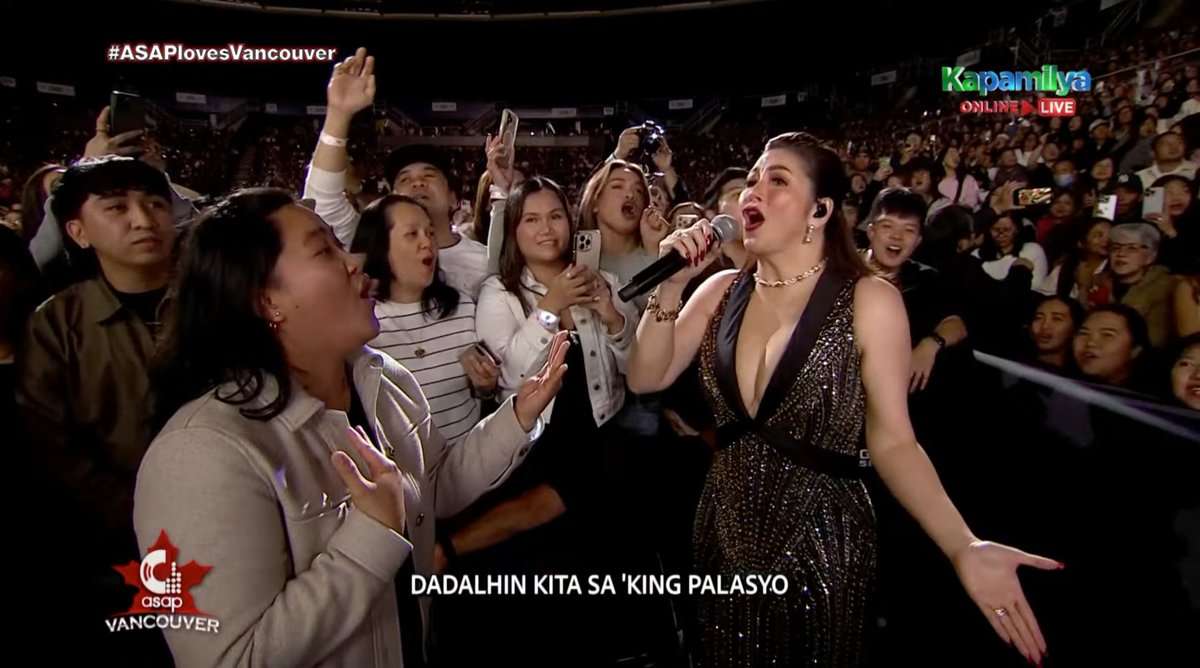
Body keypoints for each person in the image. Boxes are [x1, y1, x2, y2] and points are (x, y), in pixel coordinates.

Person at [627, 132, 1060, 667]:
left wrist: (962, 545)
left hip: (824, 541)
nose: (753, 192)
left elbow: (895, 442)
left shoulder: (869, 299)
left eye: (777, 180)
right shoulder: (717, 292)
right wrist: (670, 287)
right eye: (754, 179)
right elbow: (647, 378)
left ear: (820, 210)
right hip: (724, 530)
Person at [135, 188, 566, 667]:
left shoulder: (382, 377)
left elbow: (434, 486)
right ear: (265, 300)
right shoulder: (202, 452)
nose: (355, 260)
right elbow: (229, 660)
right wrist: (370, 536)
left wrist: (516, 418)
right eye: (325, 250)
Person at [350, 194, 498, 447]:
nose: (427, 243)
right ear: (380, 246)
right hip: (400, 475)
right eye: (412, 234)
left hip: (469, 463)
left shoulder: (461, 305)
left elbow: (478, 393)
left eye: (430, 233)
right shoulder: (361, 323)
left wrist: (485, 385)